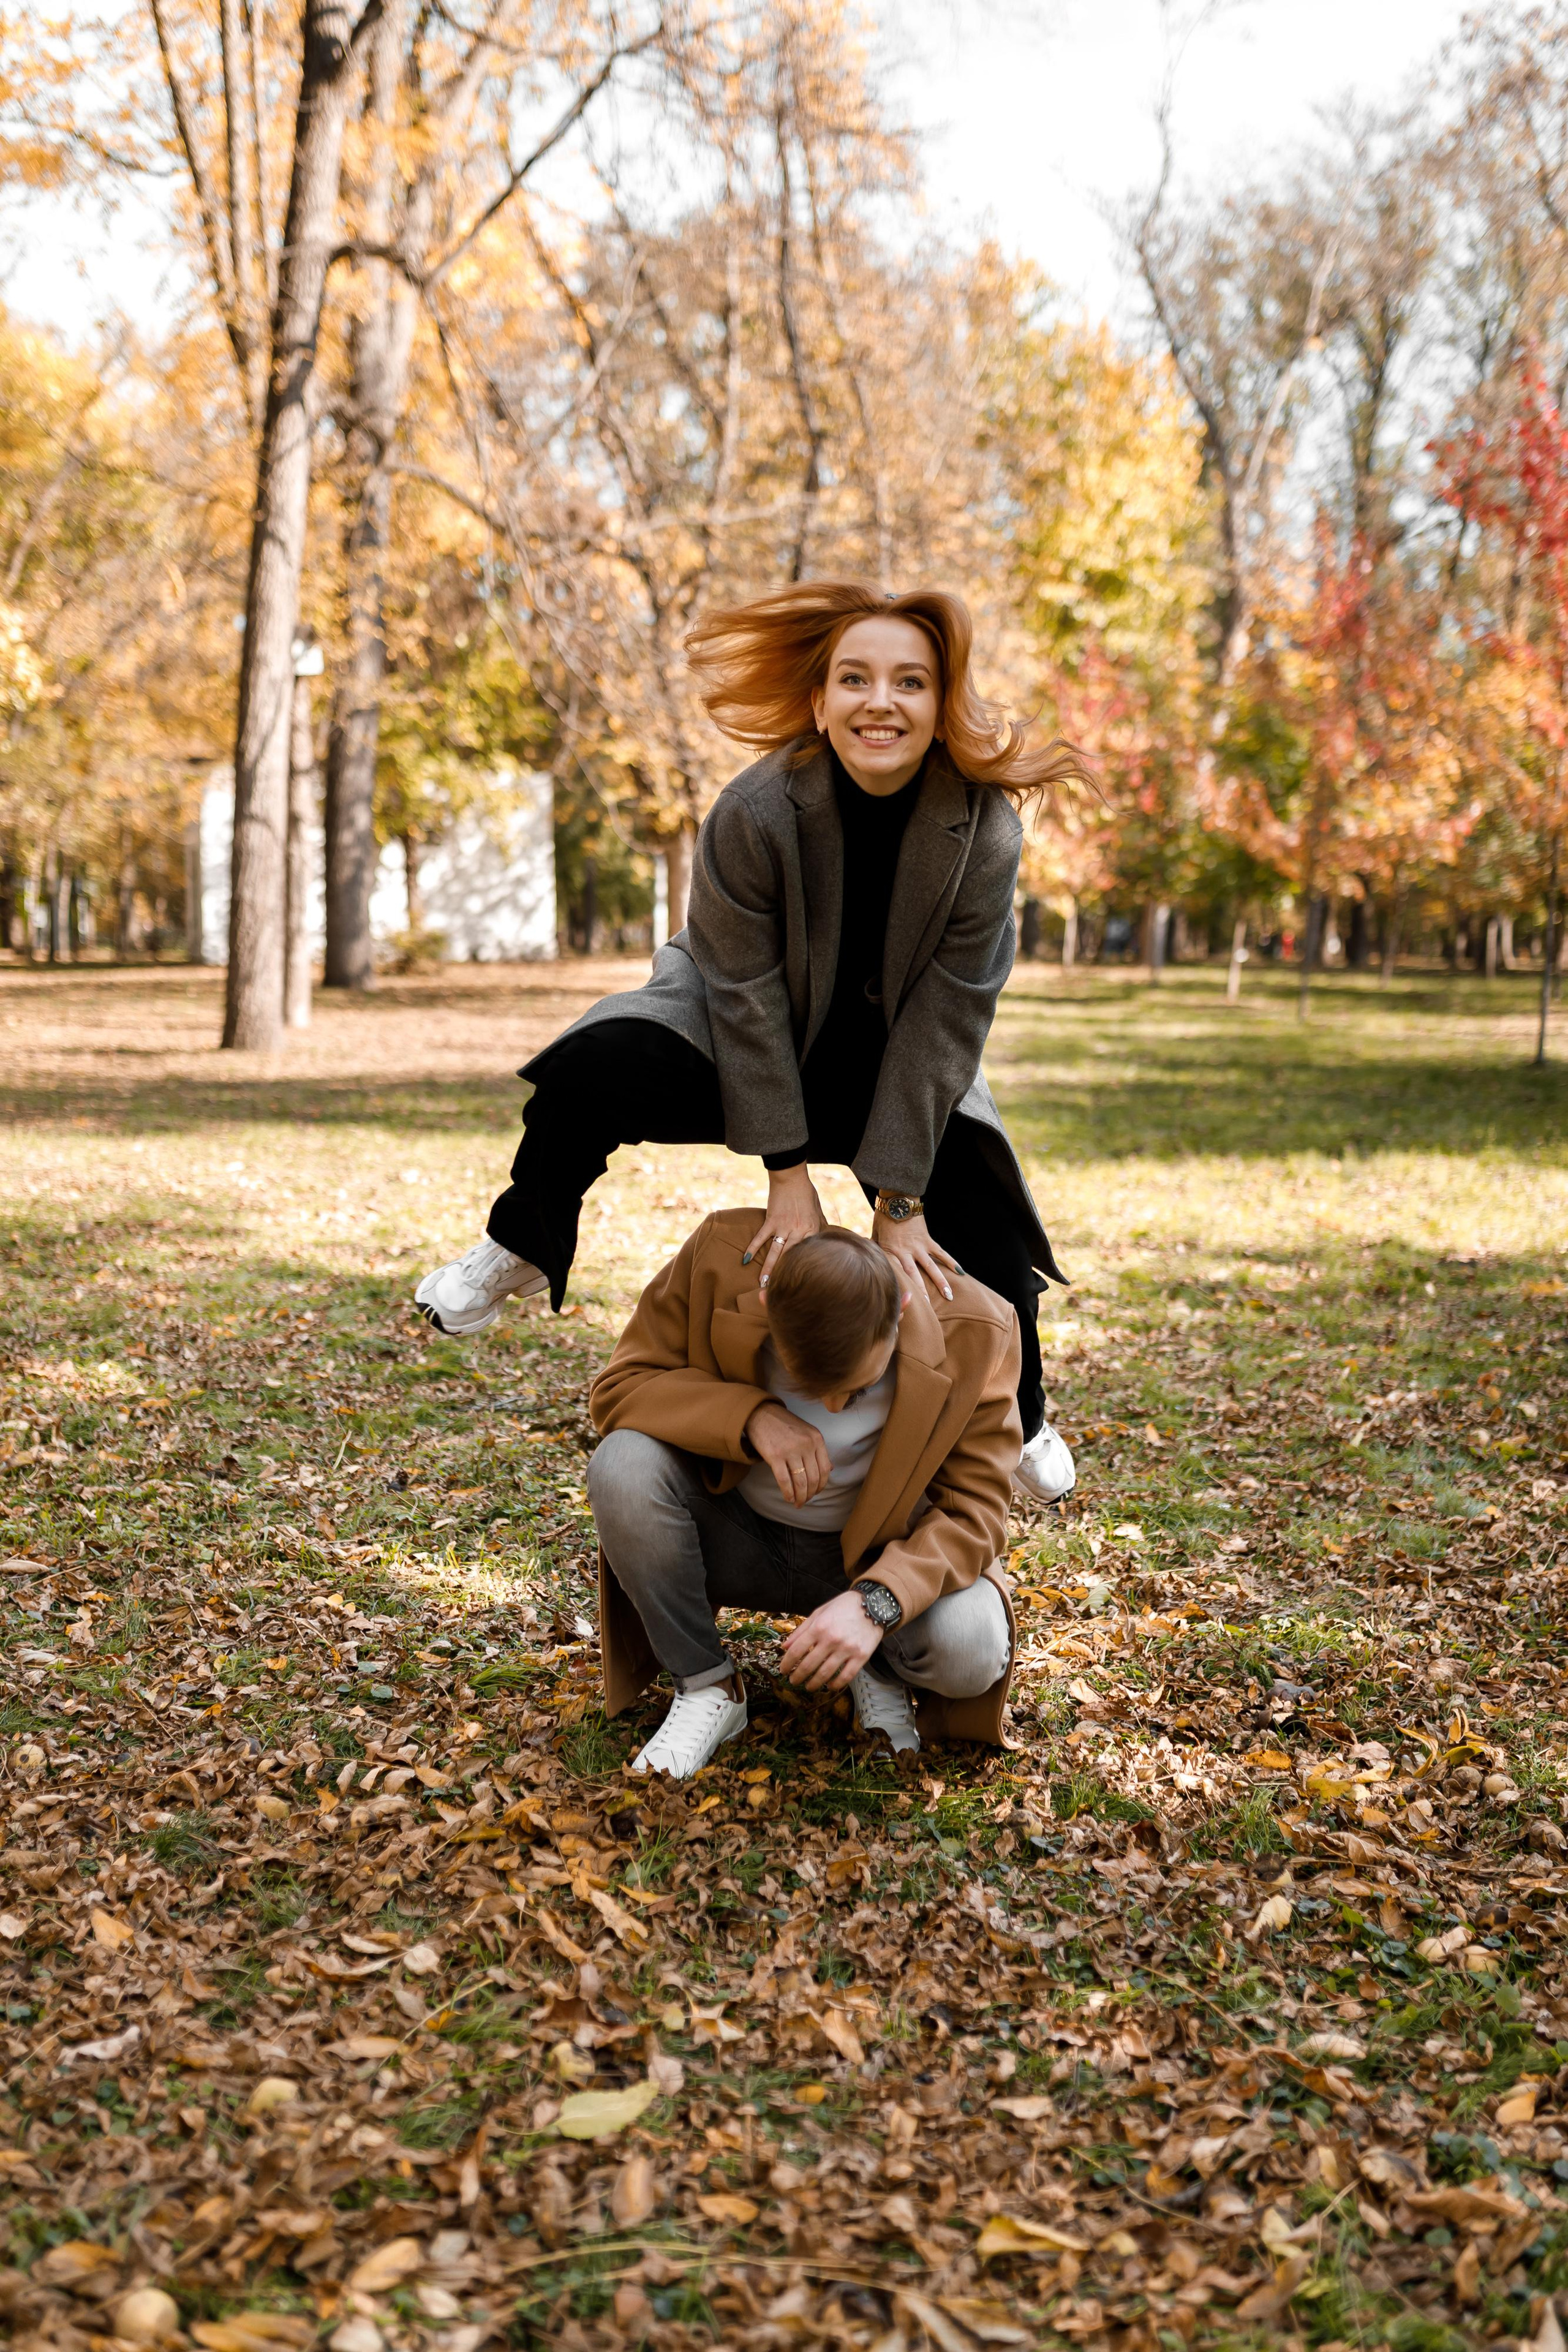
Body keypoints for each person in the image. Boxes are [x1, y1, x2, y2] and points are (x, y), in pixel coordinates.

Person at [415, 578, 1090, 1504]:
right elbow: (743, 993)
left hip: (893, 1058)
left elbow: (949, 1019)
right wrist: (786, 1173)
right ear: (820, 702)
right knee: (592, 1063)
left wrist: (899, 1202)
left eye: (909, 683)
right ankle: (522, 1243)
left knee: (979, 1210)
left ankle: (1025, 1414)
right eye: (854, 679)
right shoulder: (758, 808)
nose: (879, 702)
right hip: (738, 1027)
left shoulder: (984, 833)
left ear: (941, 705)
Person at [586, 1212, 1020, 1776]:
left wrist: (876, 1602)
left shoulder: (979, 1330)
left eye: (859, 1390)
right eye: (810, 1388)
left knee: (972, 1646)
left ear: (903, 1309)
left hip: (874, 1555)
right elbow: (619, 1388)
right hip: (735, 1531)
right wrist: (754, 1416)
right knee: (622, 1465)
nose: (835, 1411)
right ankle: (707, 1686)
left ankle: (877, 1665)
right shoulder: (725, 1258)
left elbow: (978, 1511)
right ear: (767, 1308)